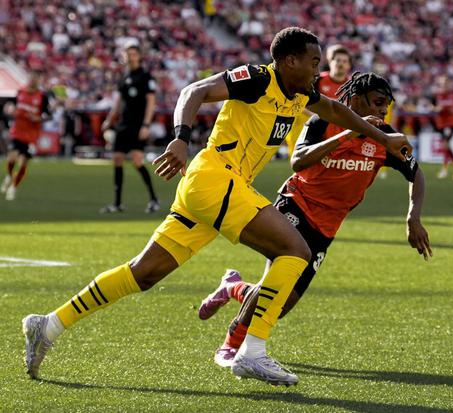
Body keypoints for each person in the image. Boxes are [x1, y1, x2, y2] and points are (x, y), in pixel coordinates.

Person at [21, 27, 412, 387]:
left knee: (144, 273)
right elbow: (194, 91)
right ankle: (252, 351)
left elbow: (336, 111)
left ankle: (49, 324)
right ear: (289, 61)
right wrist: (180, 138)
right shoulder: (257, 78)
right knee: (295, 251)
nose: (318, 70)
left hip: (215, 188)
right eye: (313, 62)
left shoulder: (301, 94)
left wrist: (383, 137)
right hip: (215, 178)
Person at [198, 72, 432, 374]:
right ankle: (231, 344)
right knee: (275, 285)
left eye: (386, 106)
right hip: (296, 205)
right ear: (355, 100)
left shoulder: (385, 136)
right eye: (377, 103)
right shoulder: (322, 122)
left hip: (328, 225)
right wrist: (349, 134)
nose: (382, 111)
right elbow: (298, 161)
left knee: (281, 306)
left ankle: (233, 287)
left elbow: (416, 173)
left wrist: (413, 216)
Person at [100, 44, 159, 214]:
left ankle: (153, 200)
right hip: (123, 124)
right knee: (117, 158)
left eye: (133, 54)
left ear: (139, 56)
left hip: (138, 124)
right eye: (128, 54)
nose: (131, 57)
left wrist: (146, 125)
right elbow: (119, 101)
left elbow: (151, 102)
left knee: (137, 160)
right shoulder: (124, 76)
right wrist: (109, 119)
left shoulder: (145, 76)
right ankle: (117, 203)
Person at [284, 44, 352, 157]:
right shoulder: (317, 79)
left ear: (349, 65)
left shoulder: (352, 86)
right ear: (330, 62)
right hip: (310, 123)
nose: (340, 64)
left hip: (336, 128)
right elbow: (300, 100)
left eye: (344, 61)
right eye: (337, 60)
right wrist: (317, 118)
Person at [1, 70, 50, 201]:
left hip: (31, 135)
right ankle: (9, 175)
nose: (33, 80)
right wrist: (9, 109)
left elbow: (48, 115)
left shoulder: (42, 97)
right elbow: (10, 105)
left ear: (39, 80)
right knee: (11, 158)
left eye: (36, 78)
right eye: (31, 77)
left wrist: (38, 118)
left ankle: (13, 187)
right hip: (17, 131)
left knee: (23, 163)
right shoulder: (20, 92)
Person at [434, 76, 453, 180]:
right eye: (441, 84)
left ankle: (447, 169)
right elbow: (433, 106)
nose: (443, 86)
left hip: (451, 122)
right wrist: (437, 108)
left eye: (444, 83)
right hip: (441, 123)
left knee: (445, 144)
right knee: (446, 146)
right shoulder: (437, 95)